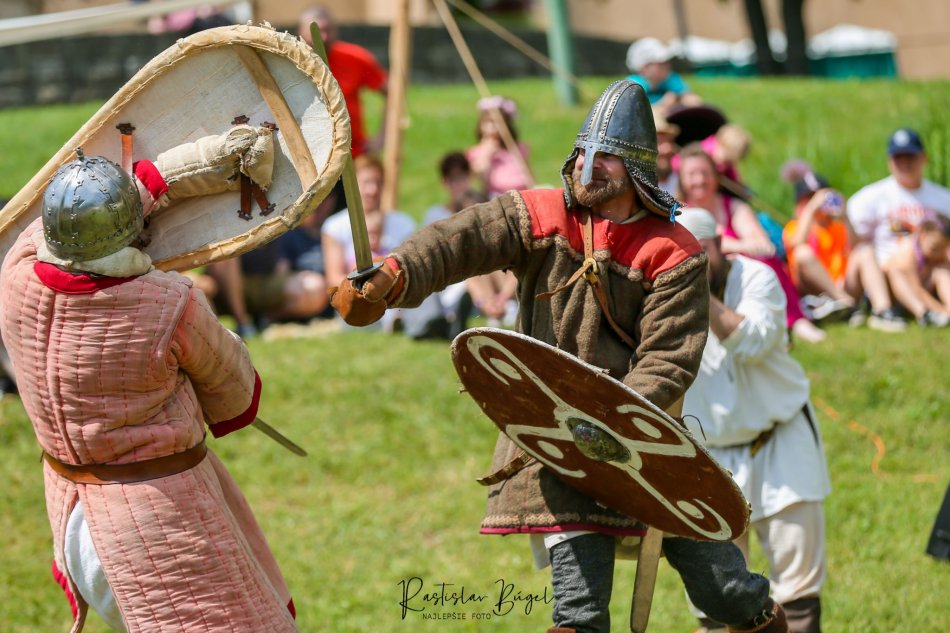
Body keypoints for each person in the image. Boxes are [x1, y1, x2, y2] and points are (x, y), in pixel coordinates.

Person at [330, 80, 788, 633]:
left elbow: (668, 360)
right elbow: (459, 240)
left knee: (730, 597)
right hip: (556, 446)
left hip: (646, 450)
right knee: (579, 614)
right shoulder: (540, 214)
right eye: (585, 152)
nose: (590, 166)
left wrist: (612, 420)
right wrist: (392, 277)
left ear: (637, 169)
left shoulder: (674, 253)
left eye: (607, 157)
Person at [0, 152, 297, 631]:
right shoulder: (168, 303)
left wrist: (155, 181)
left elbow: (45, 232)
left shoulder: (14, 275)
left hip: (74, 519)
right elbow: (235, 397)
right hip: (155, 529)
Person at [679, 208, 831, 633]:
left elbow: (753, 342)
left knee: (797, 583)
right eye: (680, 255)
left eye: (699, 253)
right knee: (715, 595)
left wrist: (697, 290)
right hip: (710, 454)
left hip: (780, 441)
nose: (690, 263)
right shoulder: (661, 292)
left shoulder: (757, 278)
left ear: (719, 245)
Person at [677, 144, 826, 343]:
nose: (699, 180)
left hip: (742, 269)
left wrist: (730, 247)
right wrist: (737, 246)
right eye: (692, 175)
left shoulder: (733, 206)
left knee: (766, 260)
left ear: (716, 176)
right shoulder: (679, 212)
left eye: (705, 173)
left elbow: (760, 242)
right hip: (707, 272)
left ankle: (794, 321)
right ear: (682, 180)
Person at [781, 166, 905, 331]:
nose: (817, 202)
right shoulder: (794, 227)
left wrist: (845, 217)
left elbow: (857, 248)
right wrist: (810, 210)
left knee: (865, 250)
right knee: (802, 253)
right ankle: (847, 304)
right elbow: (797, 245)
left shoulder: (838, 226)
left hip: (844, 284)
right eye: (809, 198)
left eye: (821, 196)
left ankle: (882, 310)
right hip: (814, 290)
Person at [848, 127, 950, 323]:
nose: (904, 163)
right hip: (889, 274)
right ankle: (924, 313)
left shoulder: (943, 198)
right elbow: (855, 243)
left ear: (923, 158)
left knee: (942, 271)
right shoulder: (870, 197)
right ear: (889, 161)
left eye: (910, 157)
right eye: (898, 158)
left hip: (929, 271)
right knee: (896, 267)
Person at [299, 5, 387, 158]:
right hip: (308, 154)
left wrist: (382, 137)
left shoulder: (355, 58)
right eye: (316, 32)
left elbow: (392, 93)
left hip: (353, 152)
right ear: (301, 32)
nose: (323, 38)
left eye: (327, 30)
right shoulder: (291, 63)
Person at [882, 216, 950, 326]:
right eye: (934, 248)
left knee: (942, 272)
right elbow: (916, 289)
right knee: (896, 273)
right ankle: (926, 315)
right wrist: (941, 310)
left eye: (944, 249)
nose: (938, 253)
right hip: (898, 298)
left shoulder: (938, 254)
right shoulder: (906, 252)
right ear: (922, 234)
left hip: (923, 291)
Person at [466, 95, 533, 198]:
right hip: (496, 195)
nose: (494, 125)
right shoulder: (478, 152)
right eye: (490, 121)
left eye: (499, 122)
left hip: (522, 193)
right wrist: (487, 155)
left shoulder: (516, 148)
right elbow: (477, 175)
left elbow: (528, 172)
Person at [625, 37, 693, 108]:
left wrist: (683, 98)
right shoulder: (634, 86)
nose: (666, 66)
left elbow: (692, 100)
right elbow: (631, 110)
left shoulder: (670, 79)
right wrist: (665, 104)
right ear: (644, 68)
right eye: (660, 63)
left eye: (667, 62)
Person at [654, 109, 681, 195]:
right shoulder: (635, 189)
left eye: (669, 142)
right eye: (659, 142)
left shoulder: (683, 182)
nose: (668, 149)